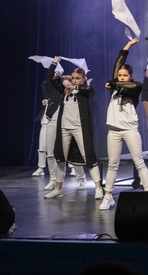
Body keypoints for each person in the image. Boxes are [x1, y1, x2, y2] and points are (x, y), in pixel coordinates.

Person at [101, 39, 148, 210]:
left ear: (131, 76)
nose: (121, 77)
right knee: (112, 164)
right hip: (114, 130)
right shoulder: (114, 87)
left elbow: (132, 85)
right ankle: (108, 196)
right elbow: (119, 60)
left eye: (125, 75)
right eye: (120, 75)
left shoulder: (135, 87)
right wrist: (128, 45)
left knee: (139, 162)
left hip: (130, 130)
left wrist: (113, 82)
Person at [44, 58, 103, 199]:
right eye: (73, 78)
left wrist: (74, 87)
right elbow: (51, 78)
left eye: (78, 78)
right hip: (64, 128)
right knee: (60, 157)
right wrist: (55, 65)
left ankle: (98, 188)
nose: (75, 81)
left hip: (79, 129)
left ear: (84, 79)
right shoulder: (64, 91)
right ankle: (58, 189)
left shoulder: (85, 91)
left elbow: (88, 90)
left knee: (88, 156)